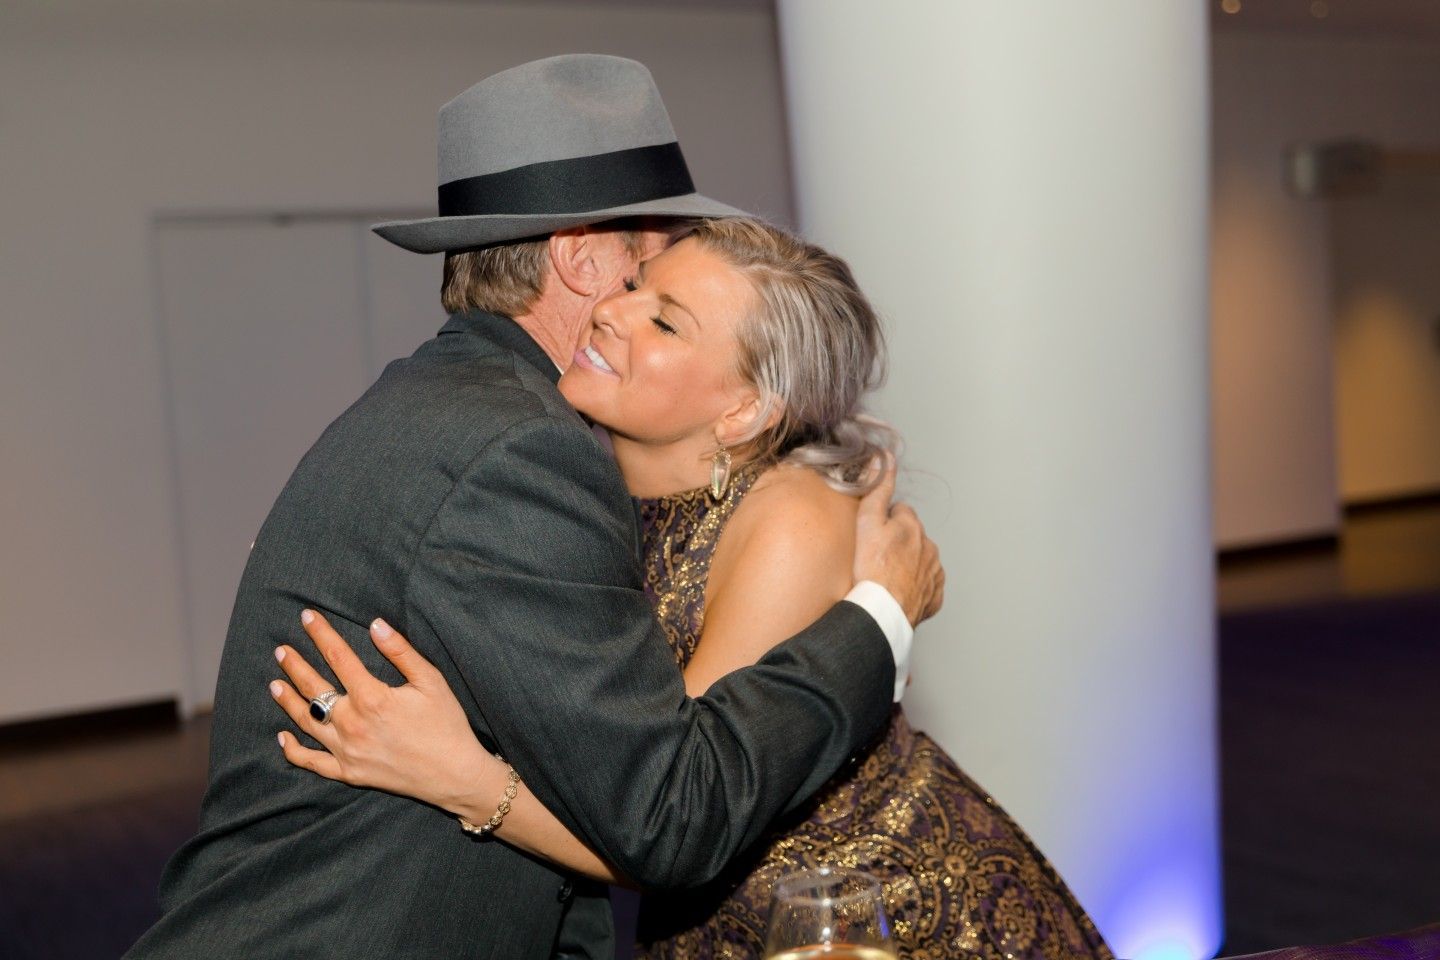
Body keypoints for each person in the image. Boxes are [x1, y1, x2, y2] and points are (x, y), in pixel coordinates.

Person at [125, 56, 941, 960]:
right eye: (651, 265)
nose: (638, 303)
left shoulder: (451, 407)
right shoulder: (519, 448)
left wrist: (471, 780)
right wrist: (880, 618)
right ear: (582, 254)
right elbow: (671, 814)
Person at [269, 217, 1114, 960]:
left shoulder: (793, 515)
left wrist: (458, 774)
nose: (611, 310)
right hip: (730, 920)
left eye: (664, 321)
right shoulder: (594, 492)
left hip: (867, 920)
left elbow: (670, 815)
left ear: (744, 410)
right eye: (635, 284)